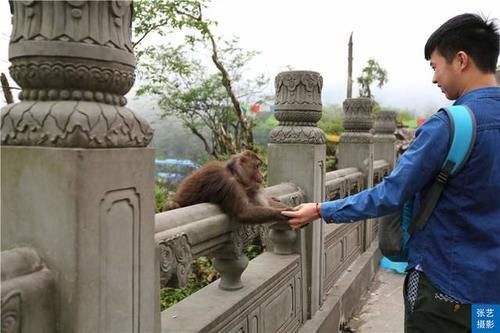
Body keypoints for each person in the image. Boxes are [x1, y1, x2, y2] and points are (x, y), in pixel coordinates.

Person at [282, 13, 500, 333]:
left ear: (461, 60)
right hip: (490, 301)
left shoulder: (449, 126)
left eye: (435, 66)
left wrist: (320, 209)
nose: (434, 79)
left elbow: (390, 193)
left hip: (443, 294)